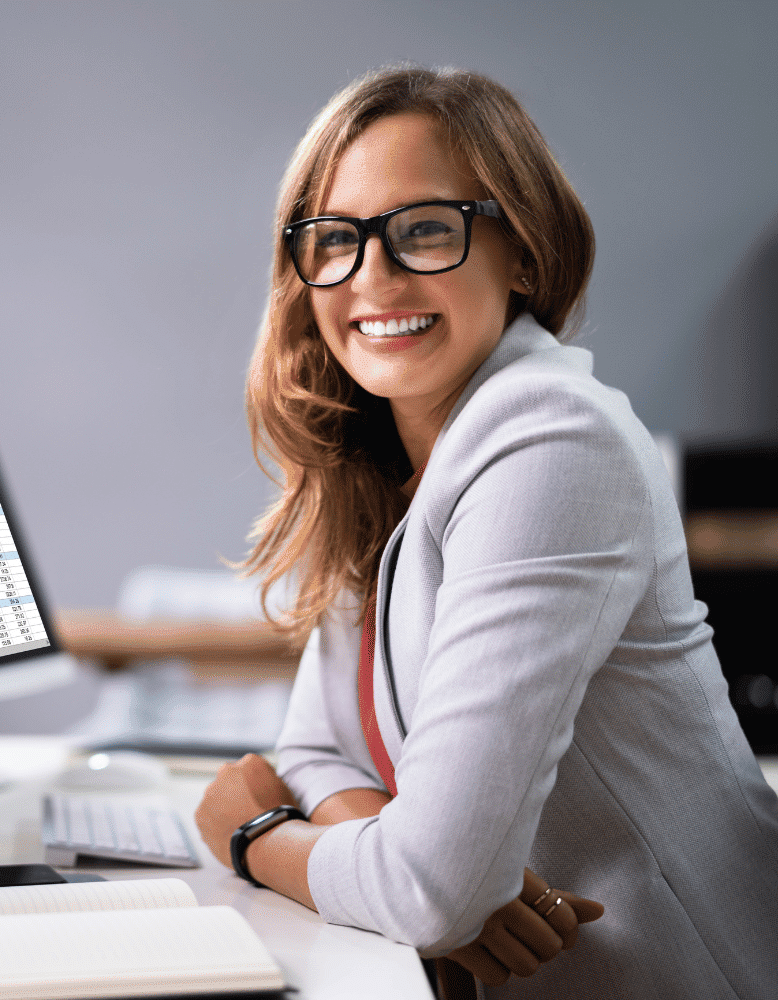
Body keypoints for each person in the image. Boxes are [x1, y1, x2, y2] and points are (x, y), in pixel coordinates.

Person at [193, 65, 778, 999]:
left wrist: (256, 838)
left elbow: (426, 891)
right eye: (334, 239)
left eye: (425, 229)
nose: (370, 275)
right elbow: (316, 752)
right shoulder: (387, 462)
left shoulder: (552, 440)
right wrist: (391, 849)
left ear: (527, 255)